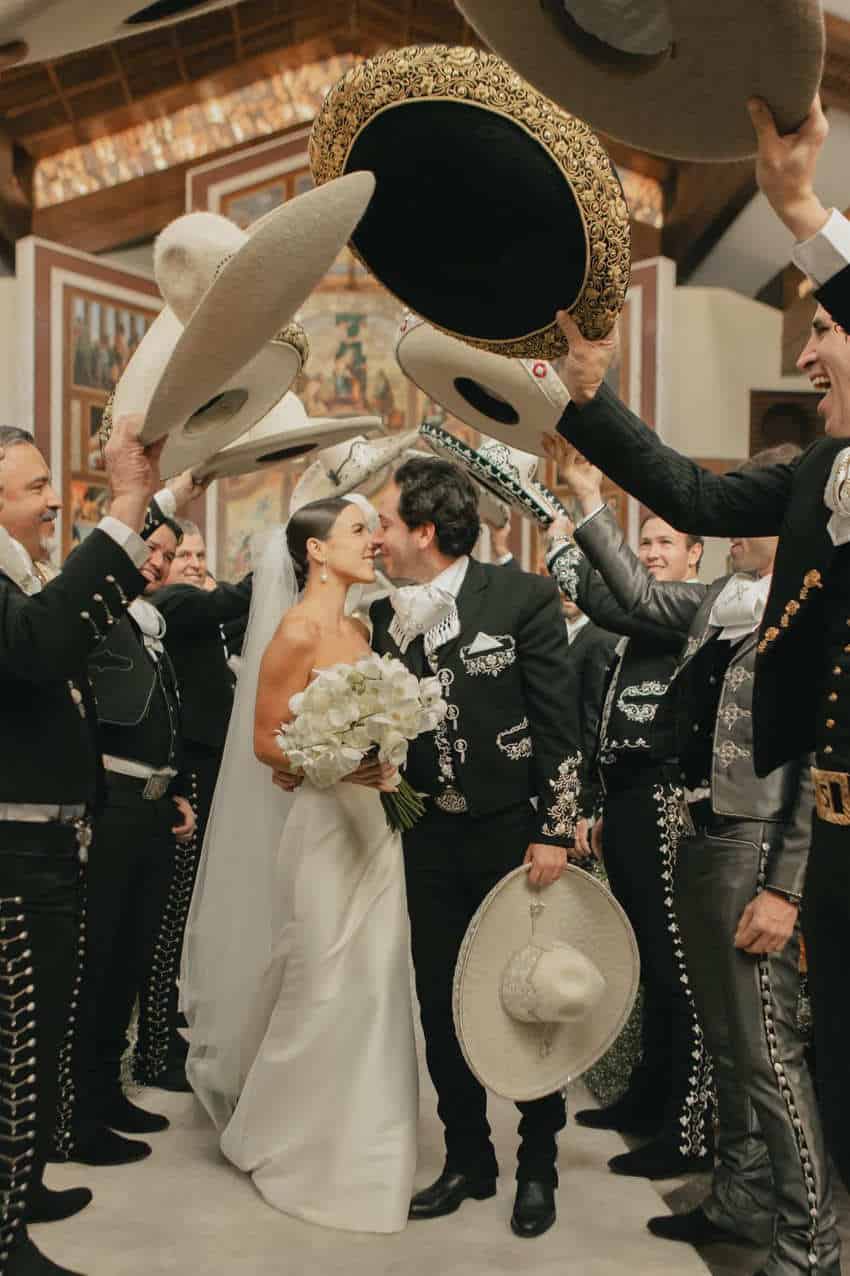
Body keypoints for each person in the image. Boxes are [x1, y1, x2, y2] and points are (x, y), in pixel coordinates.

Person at [550, 95, 850, 1193]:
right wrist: (590, 399)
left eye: (822, 327)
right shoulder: (815, 475)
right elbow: (681, 487)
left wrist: (799, 207)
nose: (806, 351)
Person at [548, 439, 840, 1276]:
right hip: (705, 830)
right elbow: (635, 597)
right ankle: (742, 1199)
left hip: (757, 845)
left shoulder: (814, 606)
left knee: (769, 1055)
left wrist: (784, 883)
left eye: (749, 505)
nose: (729, 519)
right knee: (728, 1039)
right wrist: (582, 493)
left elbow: (813, 760)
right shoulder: (723, 599)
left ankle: (812, 1243)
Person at [181, 497, 418, 1234]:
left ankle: (373, 1142)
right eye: (357, 531)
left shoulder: (362, 626)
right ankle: (288, 1134)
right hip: (321, 829)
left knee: (378, 981)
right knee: (320, 977)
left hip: (377, 826)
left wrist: (388, 756)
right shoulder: (296, 629)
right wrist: (341, 765)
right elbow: (264, 743)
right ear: (316, 551)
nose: (374, 541)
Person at [369, 457, 580, 1239]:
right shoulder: (381, 617)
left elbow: (560, 726)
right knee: (440, 999)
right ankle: (467, 1158)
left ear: (426, 530)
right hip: (423, 839)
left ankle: (538, 1167)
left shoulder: (520, 597)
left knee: (527, 999)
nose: (378, 538)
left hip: (512, 840)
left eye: (386, 523)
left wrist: (554, 830)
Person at [0, 414, 162, 1276]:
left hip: (49, 845)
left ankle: (20, 1193)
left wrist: (153, 502)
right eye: (33, 488)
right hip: (12, 856)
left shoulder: (19, 578)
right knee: (17, 1048)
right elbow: (39, 647)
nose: (53, 501)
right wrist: (127, 503)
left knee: (40, 1038)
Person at [544, 504, 712, 1178]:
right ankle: (645, 1099)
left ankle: (687, 1127)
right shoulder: (632, 628)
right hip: (629, 800)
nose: (653, 552)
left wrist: (565, 530)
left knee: (678, 966)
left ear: (696, 555)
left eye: (666, 542)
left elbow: (601, 595)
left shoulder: (694, 606)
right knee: (646, 958)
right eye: (645, 543)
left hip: (669, 797)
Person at [61, 507, 195, 1164]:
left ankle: (106, 1093)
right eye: (150, 550)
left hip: (147, 808)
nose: (159, 563)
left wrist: (173, 792)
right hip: (107, 806)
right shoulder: (90, 614)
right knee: (98, 962)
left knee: (130, 962)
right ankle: (74, 1118)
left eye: (167, 554)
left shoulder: (149, 627)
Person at [148, 514, 252, 1086]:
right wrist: (287, 557)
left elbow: (234, 619)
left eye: (199, 555)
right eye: (183, 554)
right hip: (185, 773)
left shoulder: (200, 612)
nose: (192, 564)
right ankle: (158, 1042)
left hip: (210, 768)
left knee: (188, 907)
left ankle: (172, 1023)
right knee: (171, 910)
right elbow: (231, 601)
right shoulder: (175, 605)